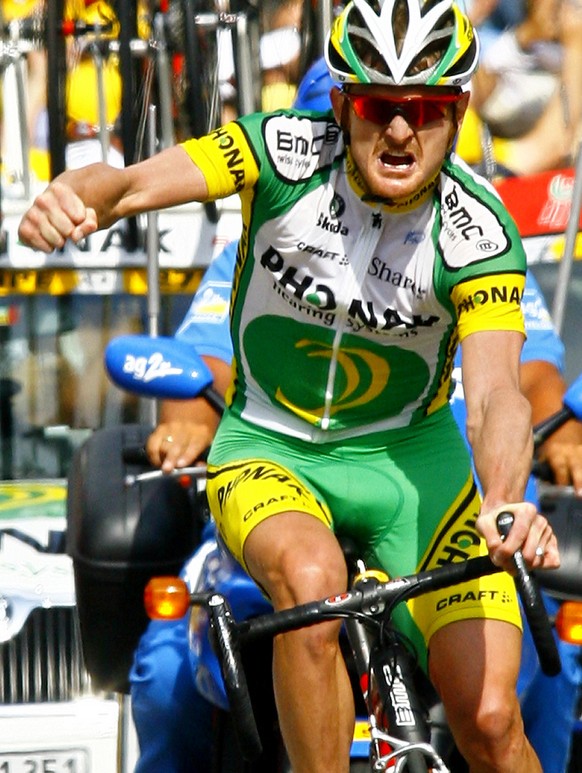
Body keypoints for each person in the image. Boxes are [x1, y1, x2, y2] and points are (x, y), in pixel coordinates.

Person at [17, 2, 561, 770]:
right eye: (379, 107)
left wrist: (504, 499)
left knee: (493, 717)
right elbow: (132, 183)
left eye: (427, 108)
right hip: (273, 445)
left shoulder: (478, 230)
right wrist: (79, 193)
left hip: (414, 465)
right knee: (311, 586)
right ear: (341, 105)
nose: (401, 131)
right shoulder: (280, 153)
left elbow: (500, 391)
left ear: (461, 110)